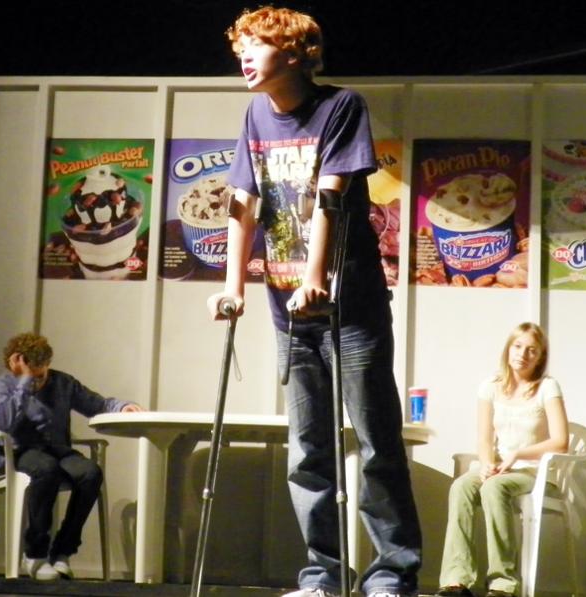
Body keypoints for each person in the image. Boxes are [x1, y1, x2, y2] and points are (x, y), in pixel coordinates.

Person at [207, 7, 421, 597]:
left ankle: (393, 573)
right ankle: (323, 574)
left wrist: (315, 275)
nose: (244, 58)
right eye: (240, 48)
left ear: (295, 53)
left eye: (257, 46)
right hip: (288, 313)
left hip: (350, 308)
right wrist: (233, 287)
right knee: (307, 451)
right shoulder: (255, 114)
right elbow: (243, 202)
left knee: (375, 443)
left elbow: (331, 197)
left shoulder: (341, 106)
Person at [0, 332, 143, 581]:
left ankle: (62, 551)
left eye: (41, 377)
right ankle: (35, 554)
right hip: (19, 452)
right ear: (14, 364)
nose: (37, 383)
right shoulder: (5, 385)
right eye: (32, 376)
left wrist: (122, 406)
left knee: (90, 473)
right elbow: (4, 423)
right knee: (46, 469)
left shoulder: (62, 383)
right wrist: (23, 383)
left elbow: (97, 404)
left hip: (56, 450)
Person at [434, 322, 569, 597]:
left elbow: (561, 442)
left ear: (540, 357)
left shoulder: (547, 387)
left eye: (532, 350)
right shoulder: (491, 387)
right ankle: (456, 581)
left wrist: (517, 454)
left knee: (494, 488)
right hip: (499, 468)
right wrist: (487, 464)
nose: (523, 354)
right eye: (518, 346)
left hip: (533, 472)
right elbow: (484, 439)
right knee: (461, 486)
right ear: (508, 349)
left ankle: (503, 583)